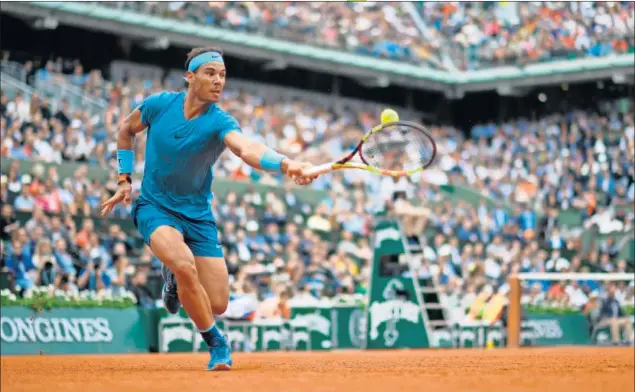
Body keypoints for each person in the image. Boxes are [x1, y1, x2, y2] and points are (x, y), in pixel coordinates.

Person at [100, 46, 317, 370]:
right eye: (210, 73)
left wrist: (286, 163)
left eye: (223, 75)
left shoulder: (220, 122)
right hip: (155, 207)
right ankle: (217, 343)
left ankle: (174, 278)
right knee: (185, 264)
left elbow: (248, 148)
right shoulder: (159, 105)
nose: (218, 81)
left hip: (198, 216)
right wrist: (124, 179)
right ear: (191, 77)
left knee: (216, 302)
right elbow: (125, 130)